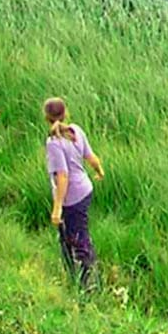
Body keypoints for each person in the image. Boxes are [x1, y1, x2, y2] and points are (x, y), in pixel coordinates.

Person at [42, 97, 105, 289]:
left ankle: (87, 283)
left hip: (72, 198)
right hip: (85, 189)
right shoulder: (76, 131)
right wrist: (99, 171)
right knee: (71, 236)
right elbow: (90, 157)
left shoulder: (54, 143)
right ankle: (76, 277)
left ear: (46, 117)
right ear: (65, 113)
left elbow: (62, 176)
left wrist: (57, 208)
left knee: (77, 239)